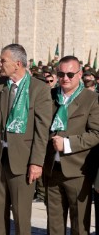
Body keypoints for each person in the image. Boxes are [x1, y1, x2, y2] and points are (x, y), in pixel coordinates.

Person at [0, 44, 52, 234]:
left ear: (18, 64)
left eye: (3, 61)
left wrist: (36, 162)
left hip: (23, 161)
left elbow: (42, 129)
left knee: (21, 215)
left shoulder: (39, 89)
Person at [44, 56, 99, 234]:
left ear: (80, 74)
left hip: (78, 171)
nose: (65, 78)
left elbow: (96, 134)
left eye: (70, 74)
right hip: (52, 169)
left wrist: (67, 144)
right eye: (61, 74)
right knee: (54, 225)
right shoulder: (50, 96)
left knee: (79, 225)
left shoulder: (91, 99)